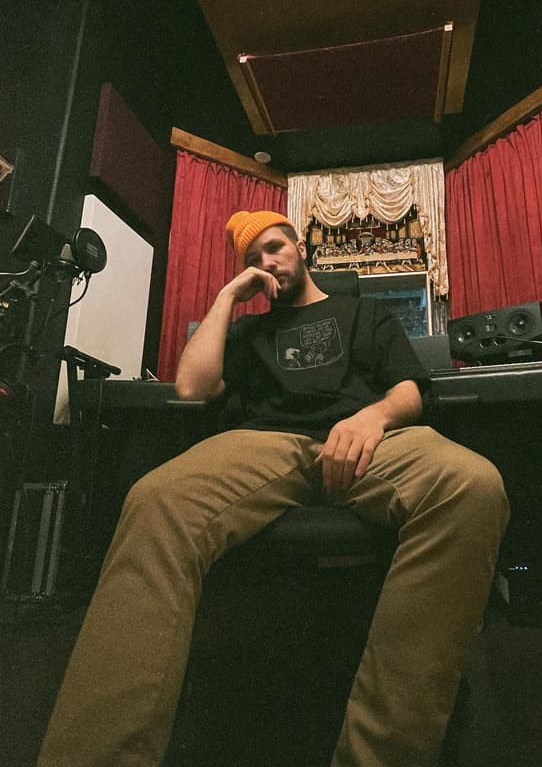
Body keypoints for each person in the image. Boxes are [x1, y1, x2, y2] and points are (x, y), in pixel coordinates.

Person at [38, 210, 509, 767]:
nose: (267, 261)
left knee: (471, 485)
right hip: (266, 443)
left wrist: (373, 417)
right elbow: (191, 388)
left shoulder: (366, 313)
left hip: (368, 437)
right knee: (156, 499)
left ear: (300, 247)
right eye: (253, 257)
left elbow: (408, 390)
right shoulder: (247, 332)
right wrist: (227, 298)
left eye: (275, 247)